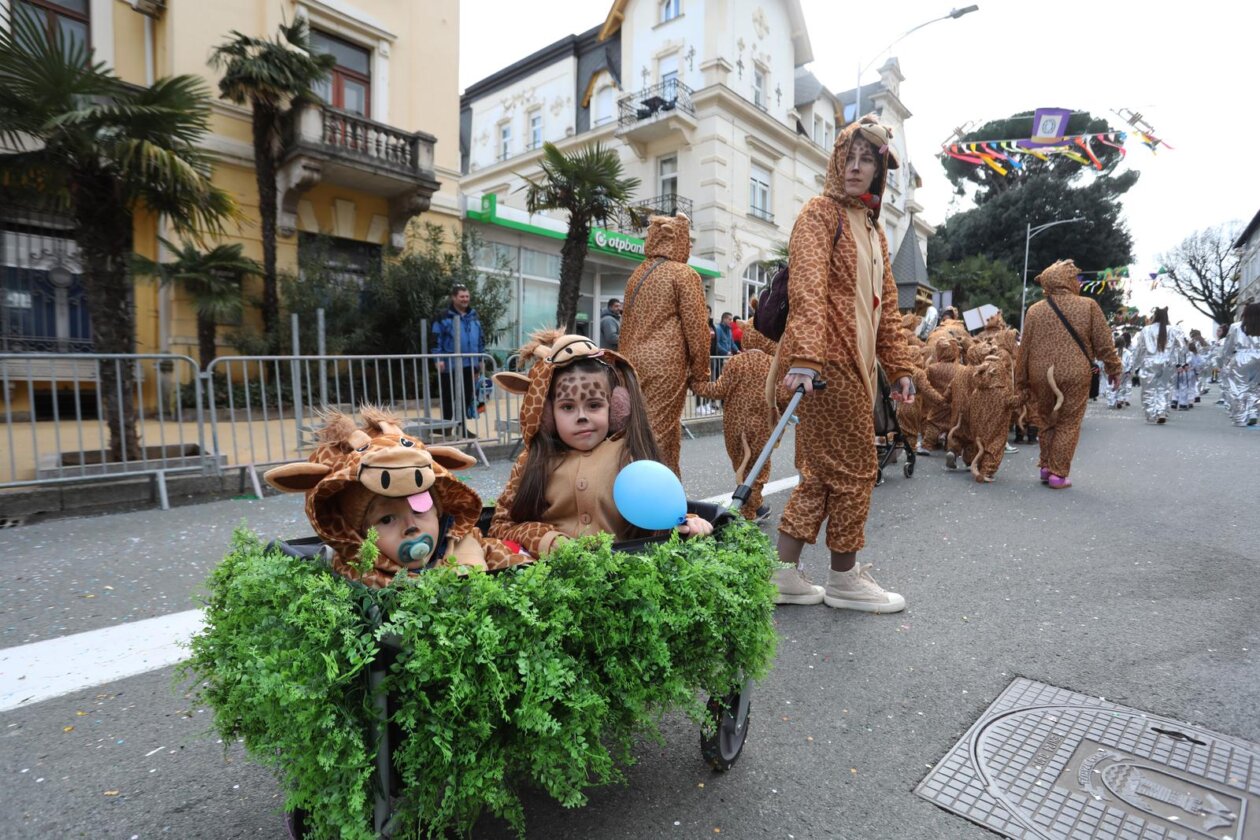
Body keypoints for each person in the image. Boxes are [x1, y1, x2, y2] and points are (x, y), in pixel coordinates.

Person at [771, 116, 917, 613]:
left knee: (822, 473)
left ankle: (784, 574)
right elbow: (806, 288)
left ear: (880, 171)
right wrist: (807, 359)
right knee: (856, 470)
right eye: (848, 158)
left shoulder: (873, 230)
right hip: (827, 365)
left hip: (855, 366)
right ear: (836, 161)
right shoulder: (820, 213)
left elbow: (888, 309)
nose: (856, 168)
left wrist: (899, 368)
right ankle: (844, 577)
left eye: (867, 160)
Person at [490, 330, 712, 555]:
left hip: (620, 576)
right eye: (567, 407)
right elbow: (501, 525)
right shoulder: (532, 460)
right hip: (551, 579)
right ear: (547, 414)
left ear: (616, 407)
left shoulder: (630, 454)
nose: (581, 416)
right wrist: (545, 539)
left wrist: (687, 524)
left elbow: (657, 514)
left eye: (594, 405)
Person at [263, 406, 530, 587]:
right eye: (387, 518)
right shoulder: (360, 572)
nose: (411, 526)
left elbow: (513, 563)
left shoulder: (461, 541)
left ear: (438, 511)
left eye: (421, 506)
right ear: (357, 536)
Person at [618, 213, 713, 474]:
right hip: (665, 363)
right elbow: (697, 329)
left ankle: (671, 496)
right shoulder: (683, 274)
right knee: (655, 434)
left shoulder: (637, 275)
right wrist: (701, 372)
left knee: (655, 432)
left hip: (631, 361)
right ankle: (640, 498)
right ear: (678, 240)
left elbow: (626, 324)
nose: (690, 249)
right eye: (688, 243)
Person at [1014, 259, 1121, 489]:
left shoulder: (1035, 311)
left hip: (1040, 373)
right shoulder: (1088, 306)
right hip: (1075, 372)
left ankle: (1045, 466)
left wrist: (1020, 381)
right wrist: (1114, 369)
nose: (1078, 283)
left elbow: (1024, 349)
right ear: (1066, 281)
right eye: (1075, 279)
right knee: (1068, 422)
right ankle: (1057, 473)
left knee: (1046, 419)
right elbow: (1104, 343)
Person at [691, 319, 774, 521]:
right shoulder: (773, 364)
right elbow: (782, 395)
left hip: (734, 425)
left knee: (741, 466)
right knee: (758, 469)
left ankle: (757, 507)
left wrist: (695, 384)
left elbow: (718, 390)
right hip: (761, 425)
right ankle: (747, 513)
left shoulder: (735, 362)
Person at [432, 284, 485, 438]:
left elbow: (480, 339)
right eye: (461, 296)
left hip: (469, 364)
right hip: (450, 365)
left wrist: (480, 359)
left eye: (467, 296)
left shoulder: (473, 317)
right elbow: (436, 339)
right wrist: (438, 359)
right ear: (454, 297)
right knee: (448, 397)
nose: (465, 299)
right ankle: (447, 427)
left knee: (466, 397)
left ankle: (461, 428)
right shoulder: (443, 317)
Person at [1131, 306, 1187, 424]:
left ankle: (1151, 414)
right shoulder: (1173, 330)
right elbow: (1183, 348)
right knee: (1163, 388)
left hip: (1150, 362)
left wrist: (1134, 366)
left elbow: (1139, 349)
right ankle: (1161, 411)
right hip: (1167, 363)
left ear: (1155, 315)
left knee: (1148, 390)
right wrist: (1180, 362)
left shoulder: (1146, 330)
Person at [1219, 301, 1260, 426]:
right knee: (1255, 387)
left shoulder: (1237, 327)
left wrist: (1224, 360)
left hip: (1242, 358)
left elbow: (1228, 346)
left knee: (1238, 388)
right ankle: (1253, 411)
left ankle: (1240, 417)